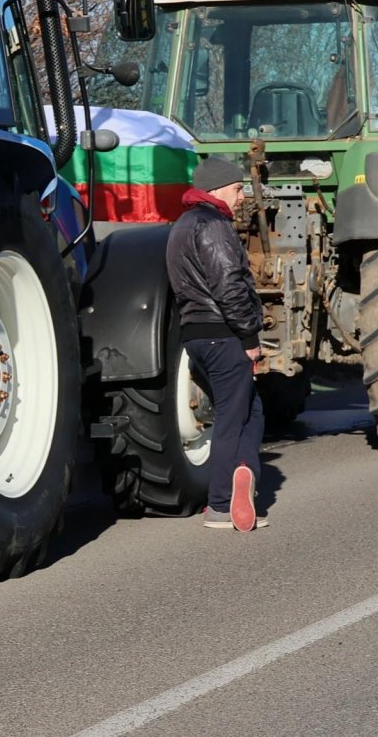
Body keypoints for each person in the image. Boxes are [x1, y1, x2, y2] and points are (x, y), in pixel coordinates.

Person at [166, 155, 268, 532]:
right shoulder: (213, 224)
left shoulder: (181, 225)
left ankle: (244, 472)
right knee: (231, 416)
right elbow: (228, 284)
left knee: (250, 411)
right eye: (238, 188)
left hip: (195, 334)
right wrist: (249, 336)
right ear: (218, 189)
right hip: (223, 332)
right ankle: (222, 504)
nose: (241, 197)